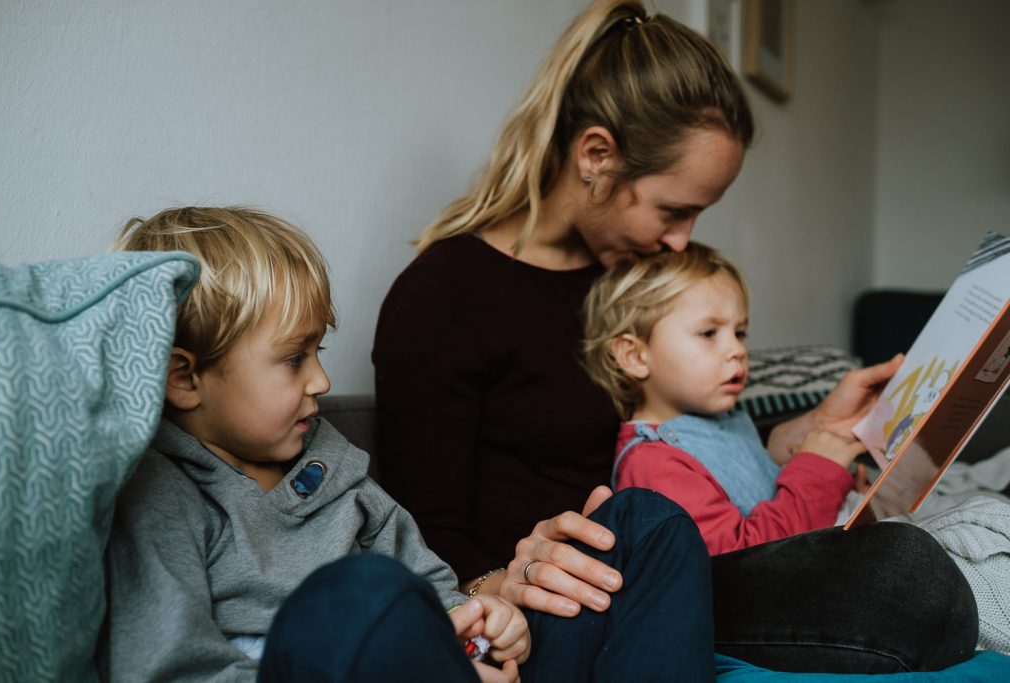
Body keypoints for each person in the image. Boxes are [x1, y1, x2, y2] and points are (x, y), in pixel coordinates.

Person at [373, 0, 979, 673]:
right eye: (674, 209)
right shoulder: (445, 295)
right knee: (906, 579)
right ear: (596, 155)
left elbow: (694, 440)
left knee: (912, 564)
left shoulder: (636, 283)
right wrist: (497, 586)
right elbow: (408, 536)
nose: (682, 239)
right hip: (564, 599)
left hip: (683, 564)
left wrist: (811, 430)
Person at [102, 206, 718, 683]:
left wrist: (487, 624)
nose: (322, 380)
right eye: (294, 359)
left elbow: (437, 589)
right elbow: (169, 670)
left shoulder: (332, 463)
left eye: (318, 351)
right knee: (359, 594)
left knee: (648, 522)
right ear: (185, 378)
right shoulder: (159, 499)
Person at [581, 242, 873, 556]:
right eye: (709, 333)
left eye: (740, 332)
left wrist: (840, 494)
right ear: (635, 356)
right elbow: (740, 561)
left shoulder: (728, 421)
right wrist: (818, 474)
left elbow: (764, 500)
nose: (737, 350)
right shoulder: (652, 462)